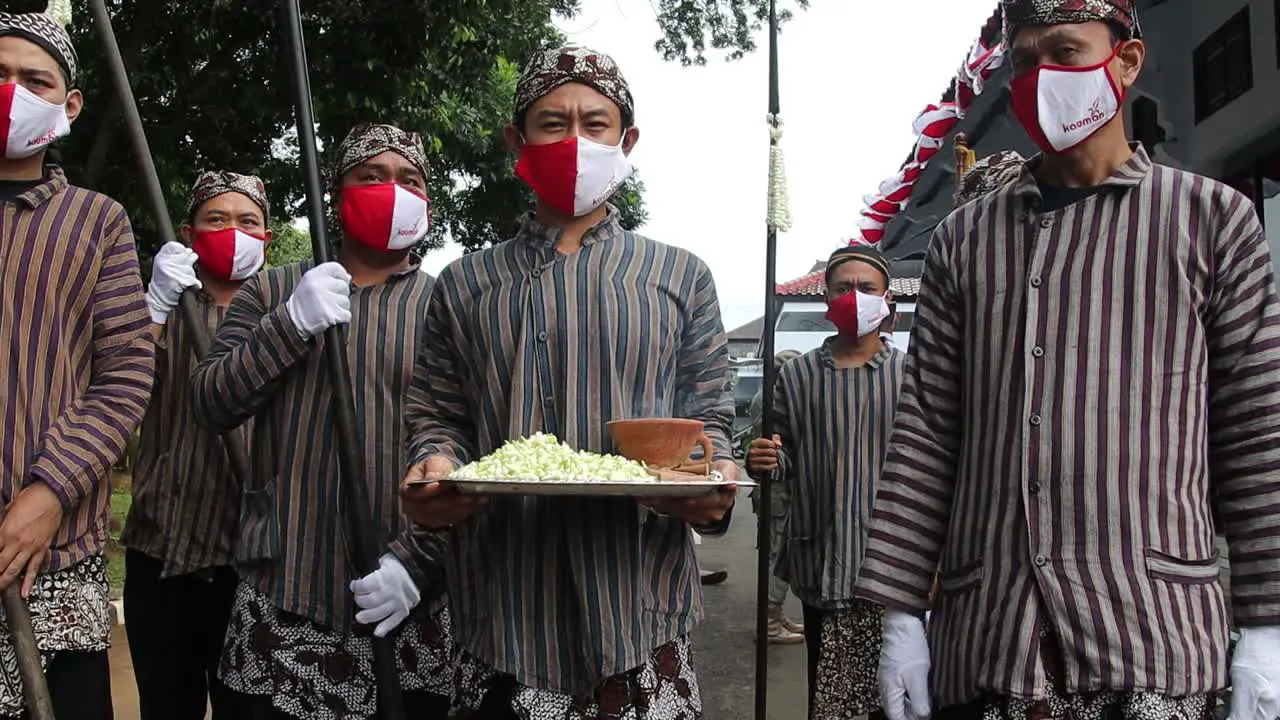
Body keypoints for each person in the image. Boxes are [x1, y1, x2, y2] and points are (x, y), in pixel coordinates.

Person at [855, 3, 1280, 720]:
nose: (1042, 76)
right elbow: (926, 433)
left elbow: (1257, 430)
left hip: (1156, 642)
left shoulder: (1212, 220)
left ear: (1127, 60)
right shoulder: (965, 239)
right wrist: (899, 616)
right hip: (992, 640)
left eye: (1066, 51)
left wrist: (1266, 628)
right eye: (1024, 61)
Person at [399, 44, 739, 719]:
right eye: (553, 123)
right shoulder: (467, 284)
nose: (576, 141)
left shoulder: (679, 277)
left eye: (596, 123)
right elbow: (436, 414)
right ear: (516, 140)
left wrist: (712, 484)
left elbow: (710, 418)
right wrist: (432, 465)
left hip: (638, 610)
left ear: (627, 139)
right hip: (503, 610)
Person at [188, 123, 452, 719]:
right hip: (283, 600)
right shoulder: (273, 290)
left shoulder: (447, 306)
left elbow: (477, 451)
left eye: (410, 180)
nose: (393, 190)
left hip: (406, 604)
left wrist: (417, 562)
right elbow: (210, 401)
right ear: (337, 194)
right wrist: (291, 324)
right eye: (373, 177)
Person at [0, 4, 156, 718]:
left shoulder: (97, 221)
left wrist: (48, 492)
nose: (12, 91)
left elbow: (124, 377)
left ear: (70, 104)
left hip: (54, 551)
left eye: (34, 79)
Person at [122, 171, 273, 719]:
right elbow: (122, 390)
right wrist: (153, 308)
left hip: (251, 562)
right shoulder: (164, 306)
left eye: (247, 221)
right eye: (216, 219)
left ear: (267, 236)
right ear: (188, 232)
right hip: (160, 551)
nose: (232, 230)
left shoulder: (284, 312)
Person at [748, 245, 902, 719]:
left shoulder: (910, 375)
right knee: (829, 699)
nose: (853, 297)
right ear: (826, 299)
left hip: (892, 569)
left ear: (886, 299)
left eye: (866, 288)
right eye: (842, 288)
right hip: (821, 561)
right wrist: (764, 460)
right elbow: (784, 458)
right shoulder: (795, 377)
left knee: (895, 696)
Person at [746, 348, 805, 644]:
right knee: (778, 556)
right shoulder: (774, 403)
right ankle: (769, 623)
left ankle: (775, 614)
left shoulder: (764, 397)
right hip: (778, 491)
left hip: (771, 490)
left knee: (776, 554)